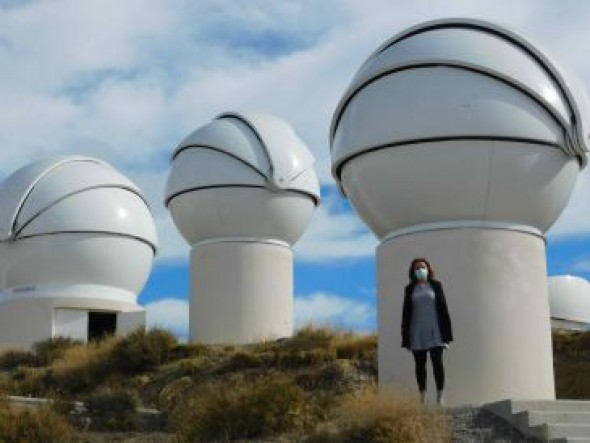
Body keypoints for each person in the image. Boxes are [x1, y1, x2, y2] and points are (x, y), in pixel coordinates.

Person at [402, 258, 453, 406]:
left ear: (428, 269)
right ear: (413, 271)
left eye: (423, 267)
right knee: (420, 366)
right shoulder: (409, 289)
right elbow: (406, 313)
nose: (420, 270)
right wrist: (405, 336)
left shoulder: (436, 286)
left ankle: (440, 396)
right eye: (417, 268)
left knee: (437, 363)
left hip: (435, 330)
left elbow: (443, 309)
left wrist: (447, 333)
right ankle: (423, 397)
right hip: (416, 331)